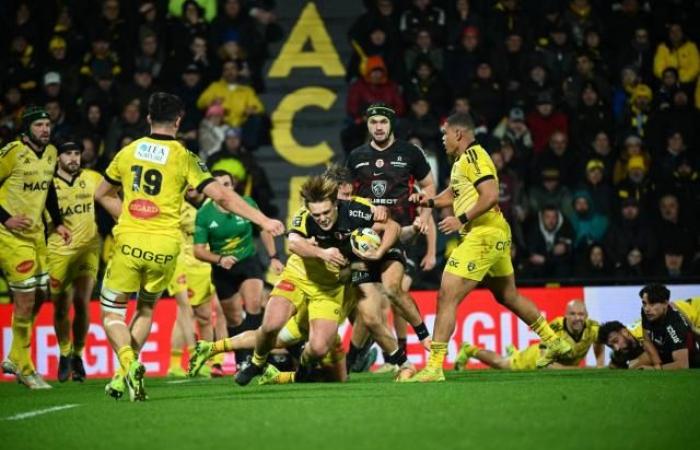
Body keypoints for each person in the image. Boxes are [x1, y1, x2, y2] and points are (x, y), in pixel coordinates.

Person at [94, 92, 284, 402]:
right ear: (179, 121)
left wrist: (127, 216)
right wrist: (262, 219)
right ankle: (123, 376)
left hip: (129, 240)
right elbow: (222, 196)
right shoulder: (184, 157)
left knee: (112, 312)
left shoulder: (128, 152)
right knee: (145, 308)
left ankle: (128, 362)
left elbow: (102, 193)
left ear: (148, 118)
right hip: (167, 247)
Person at [404, 113, 573, 382]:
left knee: (447, 294)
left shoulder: (474, 156)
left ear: (458, 134)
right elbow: (454, 193)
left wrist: (460, 219)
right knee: (508, 296)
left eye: (445, 134)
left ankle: (434, 367)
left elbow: (491, 194)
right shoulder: (462, 161)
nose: (443, 140)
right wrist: (429, 202)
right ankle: (554, 341)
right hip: (492, 233)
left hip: (483, 235)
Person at [233, 176, 404, 386]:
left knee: (320, 347)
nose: (322, 218)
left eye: (326, 212)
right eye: (317, 215)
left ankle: (304, 367)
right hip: (298, 278)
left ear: (335, 203)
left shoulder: (356, 210)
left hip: (328, 289)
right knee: (271, 324)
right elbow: (294, 244)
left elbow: (393, 226)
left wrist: (379, 253)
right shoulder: (304, 217)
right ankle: (257, 362)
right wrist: (323, 253)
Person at [345, 103, 435, 369]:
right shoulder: (356, 156)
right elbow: (346, 194)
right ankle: (354, 358)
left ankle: (424, 339)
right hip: (364, 237)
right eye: (373, 123)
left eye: (383, 122)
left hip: (401, 234)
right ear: (368, 125)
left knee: (393, 288)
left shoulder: (410, 153)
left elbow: (429, 185)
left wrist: (424, 216)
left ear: (391, 124)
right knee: (368, 310)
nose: (379, 127)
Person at [0, 106, 71, 389]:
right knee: (26, 300)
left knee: (42, 295)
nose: (45, 129)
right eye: (39, 125)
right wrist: (6, 219)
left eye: (47, 124)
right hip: (10, 237)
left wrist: (58, 222)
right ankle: (26, 368)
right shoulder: (11, 152)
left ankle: (14, 355)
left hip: (37, 236)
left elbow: (48, 189)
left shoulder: (52, 152)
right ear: (27, 128)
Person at [193, 170, 283, 368]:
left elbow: (264, 228)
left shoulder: (247, 204)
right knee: (233, 317)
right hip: (222, 268)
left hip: (248, 261)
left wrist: (274, 257)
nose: (223, 188)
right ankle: (241, 359)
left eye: (227, 184)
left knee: (255, 304)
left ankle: (258, 357)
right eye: (218, 185)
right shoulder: (203, 214)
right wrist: (219, 259)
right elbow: (198, 251)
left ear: (233, 187)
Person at [48, 139, 120, 382]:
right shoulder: (48, 183)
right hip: (58, 250)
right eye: (68, 153)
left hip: (89, 247)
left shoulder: (91, 177)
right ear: (58, 157)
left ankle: (77, 354)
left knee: (81, 301)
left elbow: (113, 200)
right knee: (60, 306)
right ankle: (64, 352)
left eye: (77, 153)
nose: (73, 158)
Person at [166, 187, 221, 377]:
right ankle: (175, 363)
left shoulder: (213, 204)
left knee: (205, 316)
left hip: (205, 265)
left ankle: (207, 361)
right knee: (185, 312)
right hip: (181, 264)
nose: (190, 186)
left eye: (193, 182)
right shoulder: (175, 204)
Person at [455, 300, 604, 370]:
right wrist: (579, 370)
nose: (577, 318)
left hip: (565, 366)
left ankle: (513, 351)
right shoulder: (555, 327)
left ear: (586, 315)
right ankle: (470, 349)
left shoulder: (592, 327)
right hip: (535, 358)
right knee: (502, 364)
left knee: (507, 360)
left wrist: (599, 364)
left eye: (581, 314)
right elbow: (547, 366)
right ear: (565, 315)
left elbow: (599, 341)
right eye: (572, 314)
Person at [640, 283, 700, 369]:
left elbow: (682, 365)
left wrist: (654, 369)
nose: (647, 309)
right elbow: (646, 339)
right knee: (632, 366)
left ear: (665, 303)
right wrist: (657, 363)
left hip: (690, 363)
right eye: (644, 303)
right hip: (664, 352)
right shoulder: (648, 312)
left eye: (652, 303)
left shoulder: (675, 325)